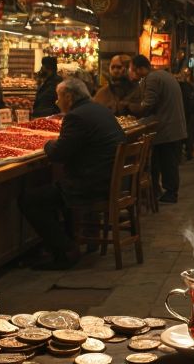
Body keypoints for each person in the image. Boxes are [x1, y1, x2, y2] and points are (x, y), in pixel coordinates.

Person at [19, 78, 125, 270]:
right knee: (49, 193)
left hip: (89, 185)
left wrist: (47, 143)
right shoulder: (100, 109)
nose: (56, 102)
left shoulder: (76, 117)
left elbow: (58, 153)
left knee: (30, 201)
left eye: (58, 97)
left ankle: (65, 250)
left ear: (68, 96)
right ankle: (61, 243)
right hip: (108, 180)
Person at [124, 55, 187, 203]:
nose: (133, 73)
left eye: (133, 70)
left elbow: (147, 106)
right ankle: (163, 191)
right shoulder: (164, 74)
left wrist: (129, 106)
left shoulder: (152, 79)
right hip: (173, 126)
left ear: (140, 68)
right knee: (167, 161)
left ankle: (170, 193)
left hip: (166, 127)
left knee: (167, 162)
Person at [177, 65, 194, 160]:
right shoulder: (187, 86)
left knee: (185, 134)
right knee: (187, 134)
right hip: (186, 112)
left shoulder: (186, 86)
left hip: (185, 112)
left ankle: (185, 153)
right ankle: (187, 152)